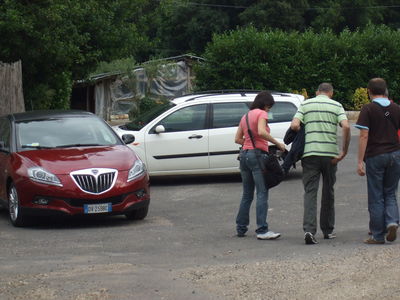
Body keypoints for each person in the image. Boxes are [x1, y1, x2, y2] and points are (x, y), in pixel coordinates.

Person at [290, 83, 350, 244]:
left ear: (317, 92)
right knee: (328, 191)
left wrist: (304, 131)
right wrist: (344, 151)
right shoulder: (337, 105)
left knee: (310, 192)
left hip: (310, 154)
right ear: (331, 93)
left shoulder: (306, 104)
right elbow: (346, 126)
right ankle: (328, 230)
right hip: (330, 154)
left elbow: (294, 125)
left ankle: (309, 230)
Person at [234, 91, 286, 240]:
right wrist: (277, 143)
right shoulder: (262, 114)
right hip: (257, 155)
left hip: (244, 155)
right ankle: (262, 230)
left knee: (247, 194)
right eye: (269, 106)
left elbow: (237, 139)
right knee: (262, 192)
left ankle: (241, 228)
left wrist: (250, 143)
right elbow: (262, 132)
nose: (269, 109)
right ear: (265, 104)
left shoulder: (245, 116)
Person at [355, 78, 400, 244]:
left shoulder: (368, 109)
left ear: (369, 91)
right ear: (386, 90)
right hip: (395, 154)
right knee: (390, 192)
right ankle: (392, 221)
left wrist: (360, 160)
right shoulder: (396, 108)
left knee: (376, 195)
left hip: (375, 155)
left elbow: (364, 135)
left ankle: (377, 235)